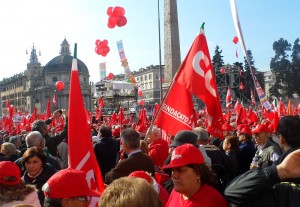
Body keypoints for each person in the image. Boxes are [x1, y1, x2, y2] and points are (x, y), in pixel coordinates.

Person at [224, 148, 300, 207]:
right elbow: (233, 195)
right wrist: (279, 171)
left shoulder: (272, 148)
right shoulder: (289, 194)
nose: (255, 136)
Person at [163, 144, 228, 207]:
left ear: (198, 173)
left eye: (180, 171)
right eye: (172, 171)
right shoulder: (175, 192)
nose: (174, 176)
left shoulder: (213, 200)